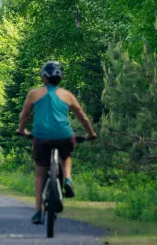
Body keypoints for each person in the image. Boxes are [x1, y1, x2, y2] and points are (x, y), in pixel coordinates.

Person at [16, 60, 97, 225]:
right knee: (65, 156)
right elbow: (83, 116)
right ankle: (67, 178)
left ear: (44, 77)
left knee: (40, 173)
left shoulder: (34, 93)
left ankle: (38, 212)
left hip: (41, 137)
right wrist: (91, 133)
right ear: (60, 78)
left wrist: (22, 130)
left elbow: (24, 115)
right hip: (64, 136)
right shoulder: (67, 95)